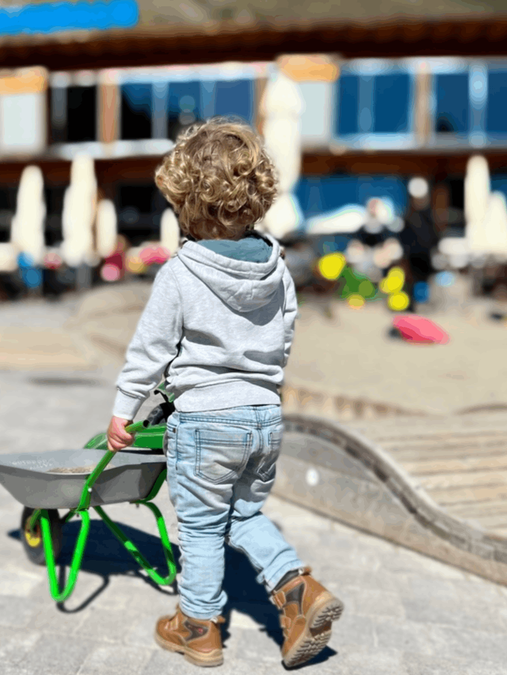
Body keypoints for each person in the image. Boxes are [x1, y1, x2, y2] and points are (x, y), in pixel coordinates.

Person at [104, 119, 344, 669]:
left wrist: (124, 410)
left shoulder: (182, 271)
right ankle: (297, 589)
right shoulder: (276, 269)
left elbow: (150, 350)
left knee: (203, 525)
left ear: (184, 202)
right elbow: (284, 337)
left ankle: (198, 626)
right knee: (243, 512)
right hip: (263, 414)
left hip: (206, 419)